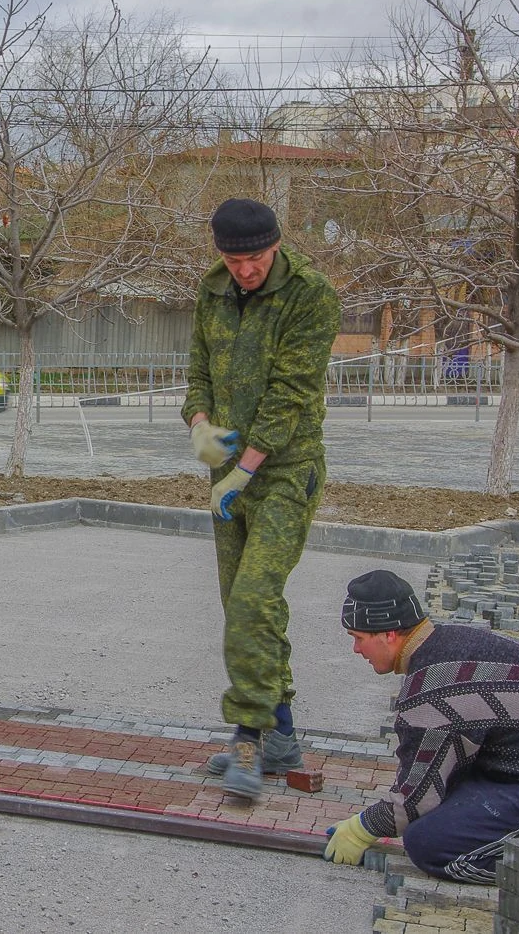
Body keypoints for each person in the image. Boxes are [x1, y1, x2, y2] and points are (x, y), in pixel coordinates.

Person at [184, 198, 341, 799]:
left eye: (254, 258)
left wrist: (245, 472)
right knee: (246, 606)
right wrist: (199, 424)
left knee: (253, 600)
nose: (244, 270)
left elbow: (290, 394)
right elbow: (198, 365)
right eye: (233, 258)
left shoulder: (311, 294)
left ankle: (249, 737)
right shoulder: (213, 289)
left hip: (283, 471)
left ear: (275, 245)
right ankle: (283, 737)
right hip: (228, 471)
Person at [323, 570, 519, 883]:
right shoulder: (450, 644)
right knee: (448, 793)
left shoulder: (432, 689)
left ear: (388, 634)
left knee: (429, 843)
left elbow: (416, 799)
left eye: (358, 639)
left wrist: (363, 827)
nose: (355, 650)